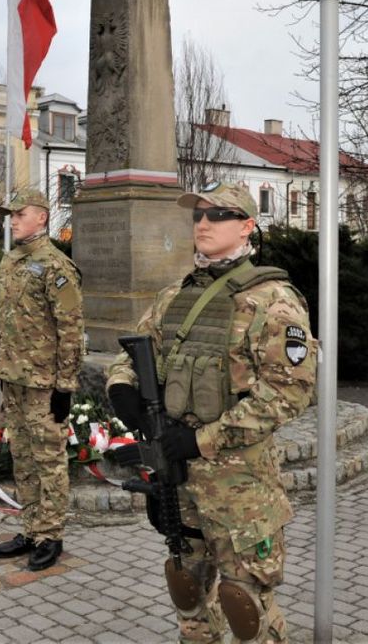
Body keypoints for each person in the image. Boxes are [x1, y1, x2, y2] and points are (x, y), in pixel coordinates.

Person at [106, 182, 317, 644]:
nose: (203, 223)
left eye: (218, 215)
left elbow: (290, 394)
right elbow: (132, 353)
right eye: (198, 215)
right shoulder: (174, 296)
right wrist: (123, 390)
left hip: (238, 484)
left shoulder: (272, 301)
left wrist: (201, 440)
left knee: (244, 603)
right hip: (177, 476)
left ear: (246, 226)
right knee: (187, 587)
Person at [0, 189, 84, 572]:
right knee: (23, 457)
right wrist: (3, 369)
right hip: (14, 377)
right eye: (10, 215)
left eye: (20, 214)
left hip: (44, 382)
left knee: (48, 459)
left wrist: (65, 386)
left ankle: (50, 535)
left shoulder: (56, 266)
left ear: (42, 218)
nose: (12, 220)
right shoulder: (9, 262)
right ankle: (30, 528)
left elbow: (71, 330)